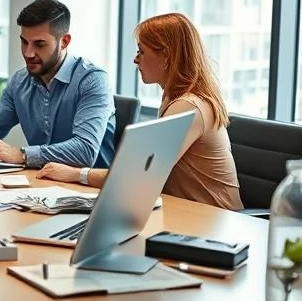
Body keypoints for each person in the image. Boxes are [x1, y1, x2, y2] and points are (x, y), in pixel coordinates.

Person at [37, 12, 243, 211]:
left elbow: (139, 177)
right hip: (184, 214)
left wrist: (76, 174)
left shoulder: (190, 106)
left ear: (166, 56)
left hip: (214, 225)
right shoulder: (174, 98)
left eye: (141, 51)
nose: (136, 60)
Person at [0, 0, 116, 170]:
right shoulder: (19, 82)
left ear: (64, 42)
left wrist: (22, 155)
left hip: (88, 191)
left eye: (39, 44)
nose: (28, 53)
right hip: (41, 185)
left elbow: (85, 151)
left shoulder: (93, 80)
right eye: (24, 42)